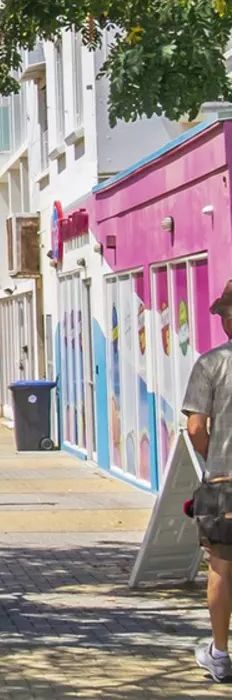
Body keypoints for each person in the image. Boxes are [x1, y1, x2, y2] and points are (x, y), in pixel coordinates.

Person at [183, 279, 232, 683]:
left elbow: (196, 426)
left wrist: (210, 455)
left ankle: (219, 652)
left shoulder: (211, 364)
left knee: (222, 568)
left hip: (225, 480)